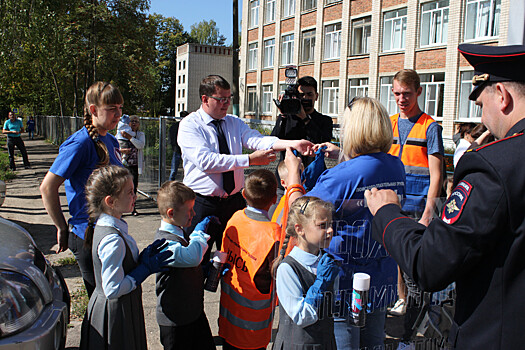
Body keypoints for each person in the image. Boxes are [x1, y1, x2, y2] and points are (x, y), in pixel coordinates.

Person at [364, 43, 525, 349]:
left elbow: (431, 263)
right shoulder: (393, 122)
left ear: (502, 95)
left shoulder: (492, 165)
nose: (484, 121)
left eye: (481, 106)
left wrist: (387, 214)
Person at [284, 97, 406, 349]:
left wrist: (293, 175)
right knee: (374, 342)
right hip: (381, 276)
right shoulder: (396, 166)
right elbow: (368, 172)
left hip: (345, 283)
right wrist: (342, 155)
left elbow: (301, 211)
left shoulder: (340, 176)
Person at [178, 74, 313, 263]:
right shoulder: (190, 125)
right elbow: (206, 161)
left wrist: (294, 143)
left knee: (237, 257)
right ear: (205, 99)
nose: (226, 104)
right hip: (201, 204)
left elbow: (256, 139)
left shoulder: (233, 121)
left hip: (233, 202)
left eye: (229, 98)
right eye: (220, 99)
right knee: (196, 262)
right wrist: (249, 160)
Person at [40, 81, 124, 297]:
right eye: (112, 109)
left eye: (120, 108)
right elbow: (48, 187)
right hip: (88, 234)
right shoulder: (80, 143)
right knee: (101, 300)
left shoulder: (111, 140)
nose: (118, 114)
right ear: (93, 110)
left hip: (109, 228)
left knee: (111, 299)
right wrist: (61, 226)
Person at [80, 165, 173, 350]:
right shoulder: (113, 240)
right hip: (115, 314)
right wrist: (143, 270)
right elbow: (112, 289)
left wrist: (140, 259)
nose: (135, 196)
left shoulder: (109, 226)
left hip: (119, 308)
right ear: (111, 201)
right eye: (130, 192)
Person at [387, 69, 444, 328]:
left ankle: (420, 308)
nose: (402, 99)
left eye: (407, 94)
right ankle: (402, 298)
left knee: (415, 260)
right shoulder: (387, 123)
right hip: (392, 202)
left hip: (418, 206)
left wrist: (429, 212)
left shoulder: (430, 127)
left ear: (419, 92)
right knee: (395, 256)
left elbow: (437, 174)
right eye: (397, 93)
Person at [218, 169, 281, 350]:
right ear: (274, 199)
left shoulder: (235, 218)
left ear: (244, 194)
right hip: (254, 330)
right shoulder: (274, 234)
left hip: (228, 320)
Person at [154, 181, 216, 350]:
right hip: (175, 321)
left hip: (193, 313)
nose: (194, 214)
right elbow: (192, 257)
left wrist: (205, 270)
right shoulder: (164, 242)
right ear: (171, 213)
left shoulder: (179, 232)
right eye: (189, 210)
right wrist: (199, 234)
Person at [272, 196, 339, 350]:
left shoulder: (325, 262)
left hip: (325, 342)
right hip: (298, 345)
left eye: (331, 225)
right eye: (322, 225)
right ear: (299, 229)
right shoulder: (288, 268)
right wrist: (321, 282)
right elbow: (301, 316)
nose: (330, 231)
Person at [271, 76, 333, 200]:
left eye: (309, 94)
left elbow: (322, 142)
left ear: (316, 96)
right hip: (285, 180)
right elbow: (273, 141)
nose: (305, 98)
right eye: (301, 95)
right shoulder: (288, 118)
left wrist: (305, 118)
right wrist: (283, 114)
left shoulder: (324, 121)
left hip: (315, 180)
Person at [119, 115, 145, 216]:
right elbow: (117, 147)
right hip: (124, 164)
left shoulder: (139, 134)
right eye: (132, 121)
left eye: (136, 121)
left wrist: (130, 138)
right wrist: (122, 150)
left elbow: (140, 145)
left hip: (134, 165)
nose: (134, 123)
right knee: (122, 187)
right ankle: (121, 209)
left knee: (133, 188)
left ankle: (133, 208)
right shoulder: (122, 133)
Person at [169, 111, 188, 181]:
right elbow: (172, 137)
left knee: (186, 169)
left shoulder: (189, 127)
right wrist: (174, 146)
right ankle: (170, 185)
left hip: (184, 150)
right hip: (177, 150)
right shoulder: (175, 126)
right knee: (174, 170)